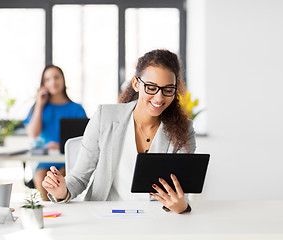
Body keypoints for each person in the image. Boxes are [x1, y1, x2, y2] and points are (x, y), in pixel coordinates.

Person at [42, 49, 196, 214]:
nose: (159, 98)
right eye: (151, 87)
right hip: (107, 216)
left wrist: (182, 206)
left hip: (157, 217)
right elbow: (79, 178)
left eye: (168, 89)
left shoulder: (183, 130)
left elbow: (181, 190)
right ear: (137, 84)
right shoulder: (104, 117)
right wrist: (62, 191)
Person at [23, 64, 87, 201]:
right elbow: (33, 133)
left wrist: (60, 146)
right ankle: (49, 215)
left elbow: (85, 139)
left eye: (56, 77)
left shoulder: (76, 109)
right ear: (43, 84)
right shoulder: (39, 107)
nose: (53, 82)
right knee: (41, 178)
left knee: (61, 181)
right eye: (48, 79)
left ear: (63, 80)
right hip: (45, 162)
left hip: (67, 161)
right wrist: (39, 104)